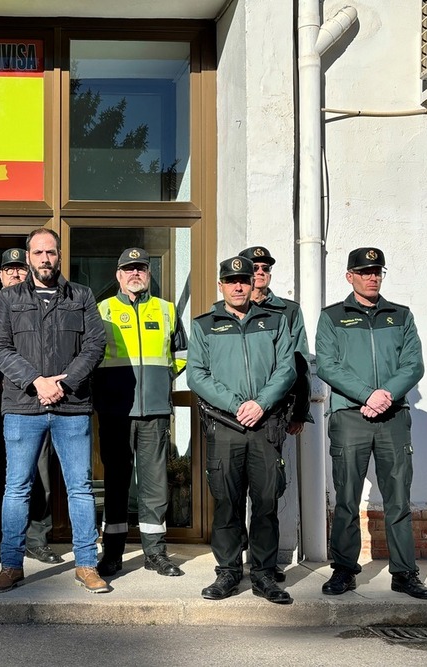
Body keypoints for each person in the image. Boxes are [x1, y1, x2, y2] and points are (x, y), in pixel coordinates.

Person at [0, 228, 108, 594]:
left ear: (59, 256)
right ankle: (11, 565)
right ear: (28, 257)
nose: (44, 259)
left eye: (50, 252)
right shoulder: (7, 299)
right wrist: (37, 381)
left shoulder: (82, 296)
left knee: (81, 489)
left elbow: (95, 346)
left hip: (72, 407)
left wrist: (63, 383)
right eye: (38, 252)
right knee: (17, 489)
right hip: (23, 406)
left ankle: (86, 564)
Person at [316, 247, 427, 600]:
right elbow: (327, 364)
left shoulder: (400, 316)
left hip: (394, 415)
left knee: (398, 498)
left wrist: (387, 395)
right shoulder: (332, 317)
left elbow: (413, 364)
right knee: (347, 497)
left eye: (377, 272)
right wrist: (368, 395)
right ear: (349, 276)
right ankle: (344, 571)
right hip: (349, 416)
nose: (372, 277)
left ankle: (404, 573)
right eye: (364, 272)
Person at [187, 256, 296, 604]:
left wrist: (261, 403)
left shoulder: (275, 322)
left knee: (265, 502)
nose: (238, 286)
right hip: (224, 426)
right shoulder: (204, 325)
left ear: (253, 284)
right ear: (220, 285)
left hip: (265, 426)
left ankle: (264, 574)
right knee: (227, 503)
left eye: (244, 280)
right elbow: (196, 375)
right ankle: (229, 573)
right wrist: (237, 404)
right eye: (230, 280)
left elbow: (287, 369)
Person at [94, 247, 187, 578]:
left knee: (154, 486)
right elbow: (90, 359)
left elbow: (182, 353)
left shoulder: (166, 310)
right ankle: (113, 554)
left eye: (141, 269)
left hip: (155, 411)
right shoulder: (101, 311)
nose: (135, 274)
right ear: (118, 275)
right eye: (129, 269)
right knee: (117, 484)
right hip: (116, 412)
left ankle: (156, 553)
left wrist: (162, 379)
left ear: (149, 274)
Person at [0, 249, 61, 567]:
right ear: (0, 275)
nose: (15, 274)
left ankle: (37, 540)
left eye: (20, 269)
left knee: (39, 474)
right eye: (8, 270)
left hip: (33, 401)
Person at [239, 245, 313, 582]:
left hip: (273, 415)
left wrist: (299, 410)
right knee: (231, 489)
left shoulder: (288, 311)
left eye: (265, 267)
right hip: (233, 414)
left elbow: (298, 363)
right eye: (254, 267)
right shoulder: (228, 309)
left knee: (268, 490)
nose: (260, 272)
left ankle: (264, 560)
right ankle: (234, 558)